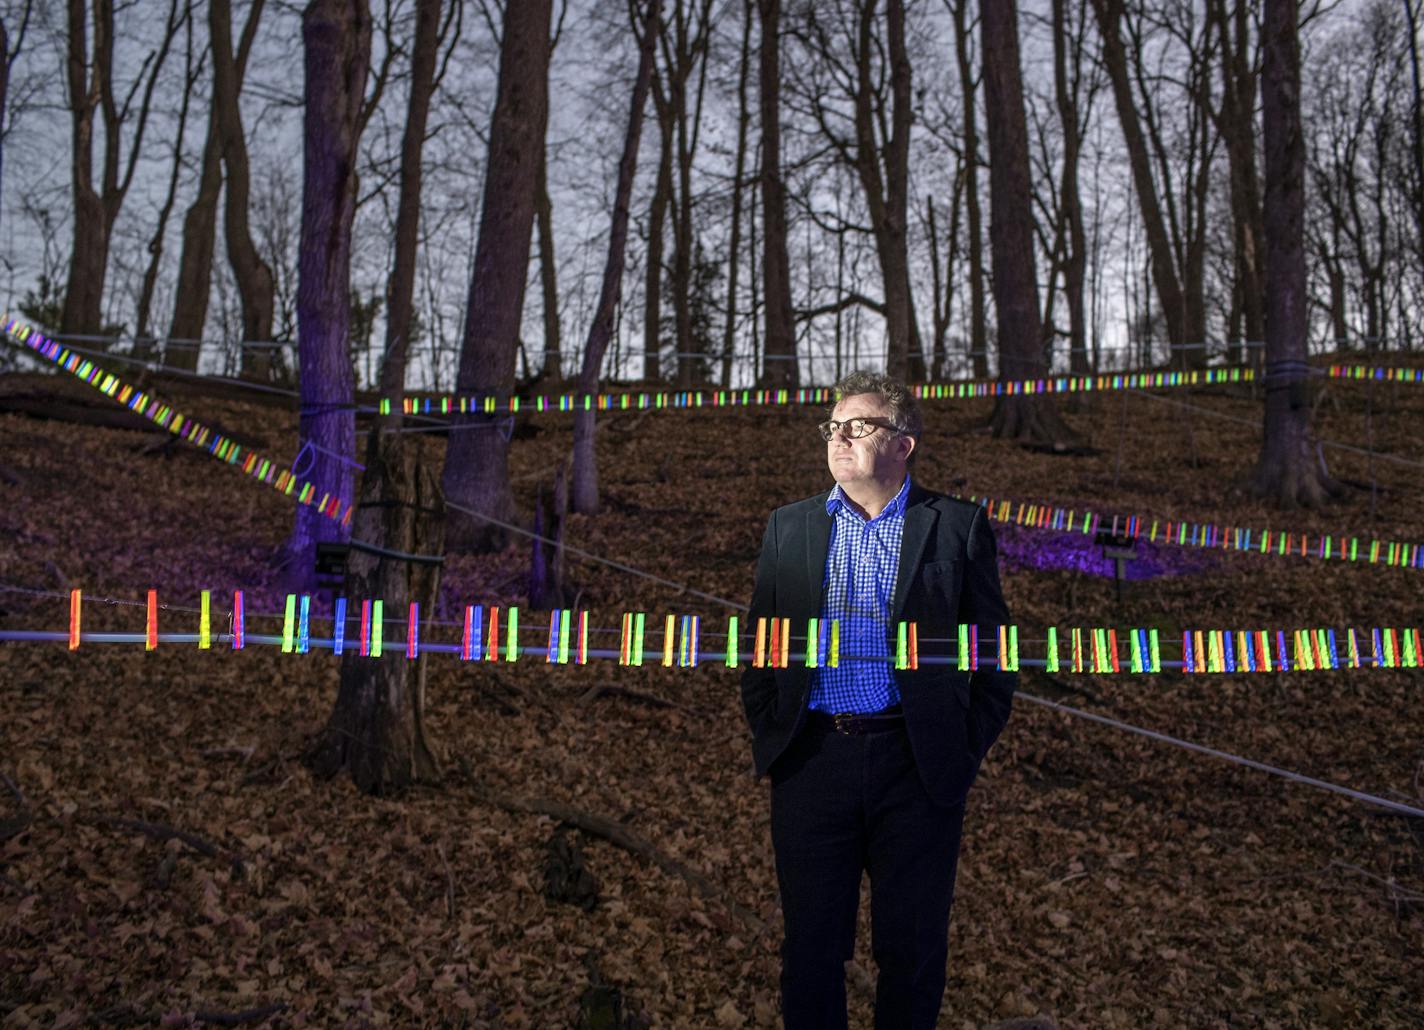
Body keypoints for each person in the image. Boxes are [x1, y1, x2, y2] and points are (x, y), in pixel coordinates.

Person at [741, 370, 1017, 1029]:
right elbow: (759, 644)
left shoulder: (954, 527)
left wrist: (961, 744)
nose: (839, 438)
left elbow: (995, 655)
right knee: (810, 950)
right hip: (813, 763)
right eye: (832, 427)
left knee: (913, 952)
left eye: (857, 426)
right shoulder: (790, 528)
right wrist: (774, 731)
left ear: (904, 445)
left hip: (916, 768)